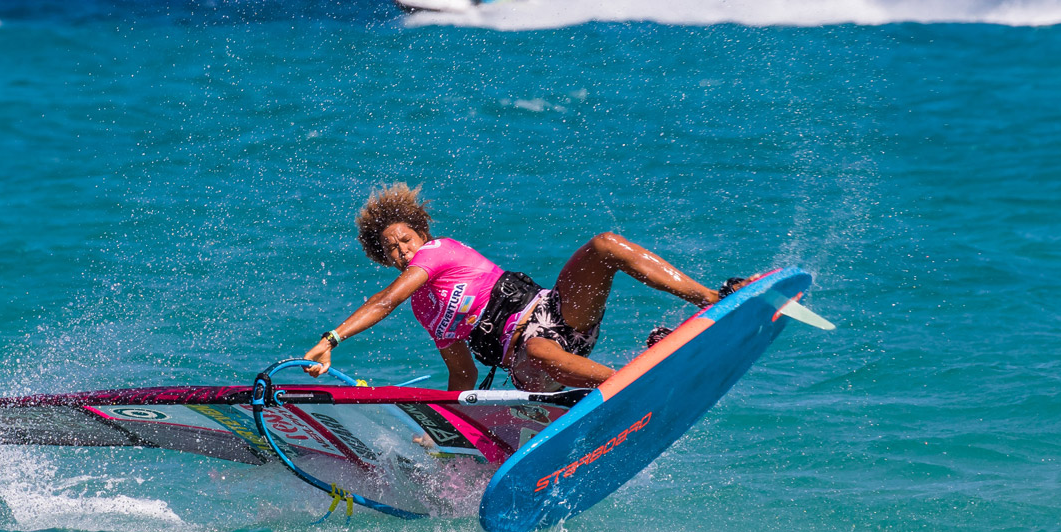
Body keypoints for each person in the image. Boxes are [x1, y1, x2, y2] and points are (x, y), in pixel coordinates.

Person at [302, 183, 736, 393]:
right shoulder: (425, 310)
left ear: (422, 236)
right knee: (537, 351)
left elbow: (385, 300)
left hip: (556, 314)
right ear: (383, 258)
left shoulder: (439, 252)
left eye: (405, 240)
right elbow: (463, 373)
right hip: (526, 362)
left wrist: (332, 338)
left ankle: (712, 300)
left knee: (606, 246)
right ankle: (630, 383)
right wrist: (452, 426)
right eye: (390, 249)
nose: (401, 251)